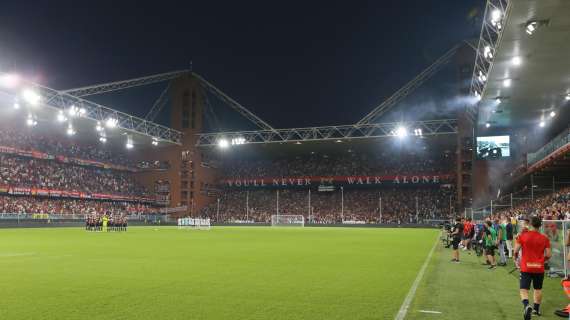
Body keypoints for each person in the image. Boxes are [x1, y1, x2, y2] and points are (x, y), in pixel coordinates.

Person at [514, 216, 551, 319]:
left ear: (530, 224)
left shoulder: (523, 236)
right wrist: (541, 261)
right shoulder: (545, 238)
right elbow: (548, 254)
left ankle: (526, 306)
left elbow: (516, 251)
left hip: (526, 267)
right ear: (540, 225)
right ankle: (536, 309)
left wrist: (516, 260)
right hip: (539, 268)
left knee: (523, 289)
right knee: (538, 289)